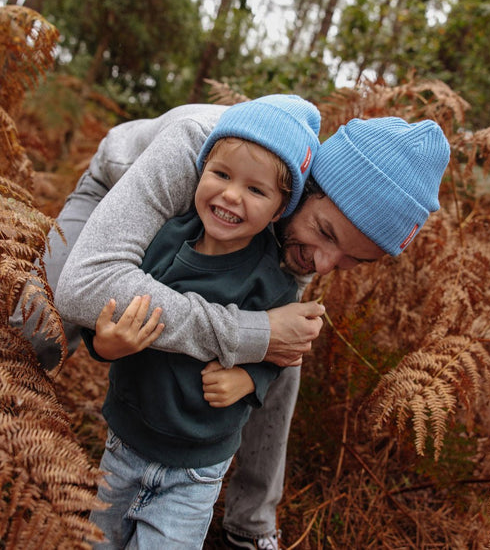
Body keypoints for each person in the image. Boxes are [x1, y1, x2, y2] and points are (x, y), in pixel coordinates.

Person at [15, 101, 449, 550]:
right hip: (119, 188)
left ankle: (251, 524)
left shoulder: (290, 213)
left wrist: (263, 345)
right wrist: (251, 333)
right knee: (33, 327)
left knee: (285, 345)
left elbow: (274, 339)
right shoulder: (197, 148)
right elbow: (86, 285)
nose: (323, 263)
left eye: (352, 261)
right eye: (326, 233)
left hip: (228, 223)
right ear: (308, 190)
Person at [81, 94, 320, 548]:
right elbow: (116, 314)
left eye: (256, 190)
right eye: (222, 174)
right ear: (202, 168)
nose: (231, 195)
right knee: (98, 541)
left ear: (280, 209)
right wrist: (104, 345)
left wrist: (250, 379)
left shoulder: (270, 281)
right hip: (124, 445)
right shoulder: (165, 242)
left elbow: (282, 353)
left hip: (196, 470)